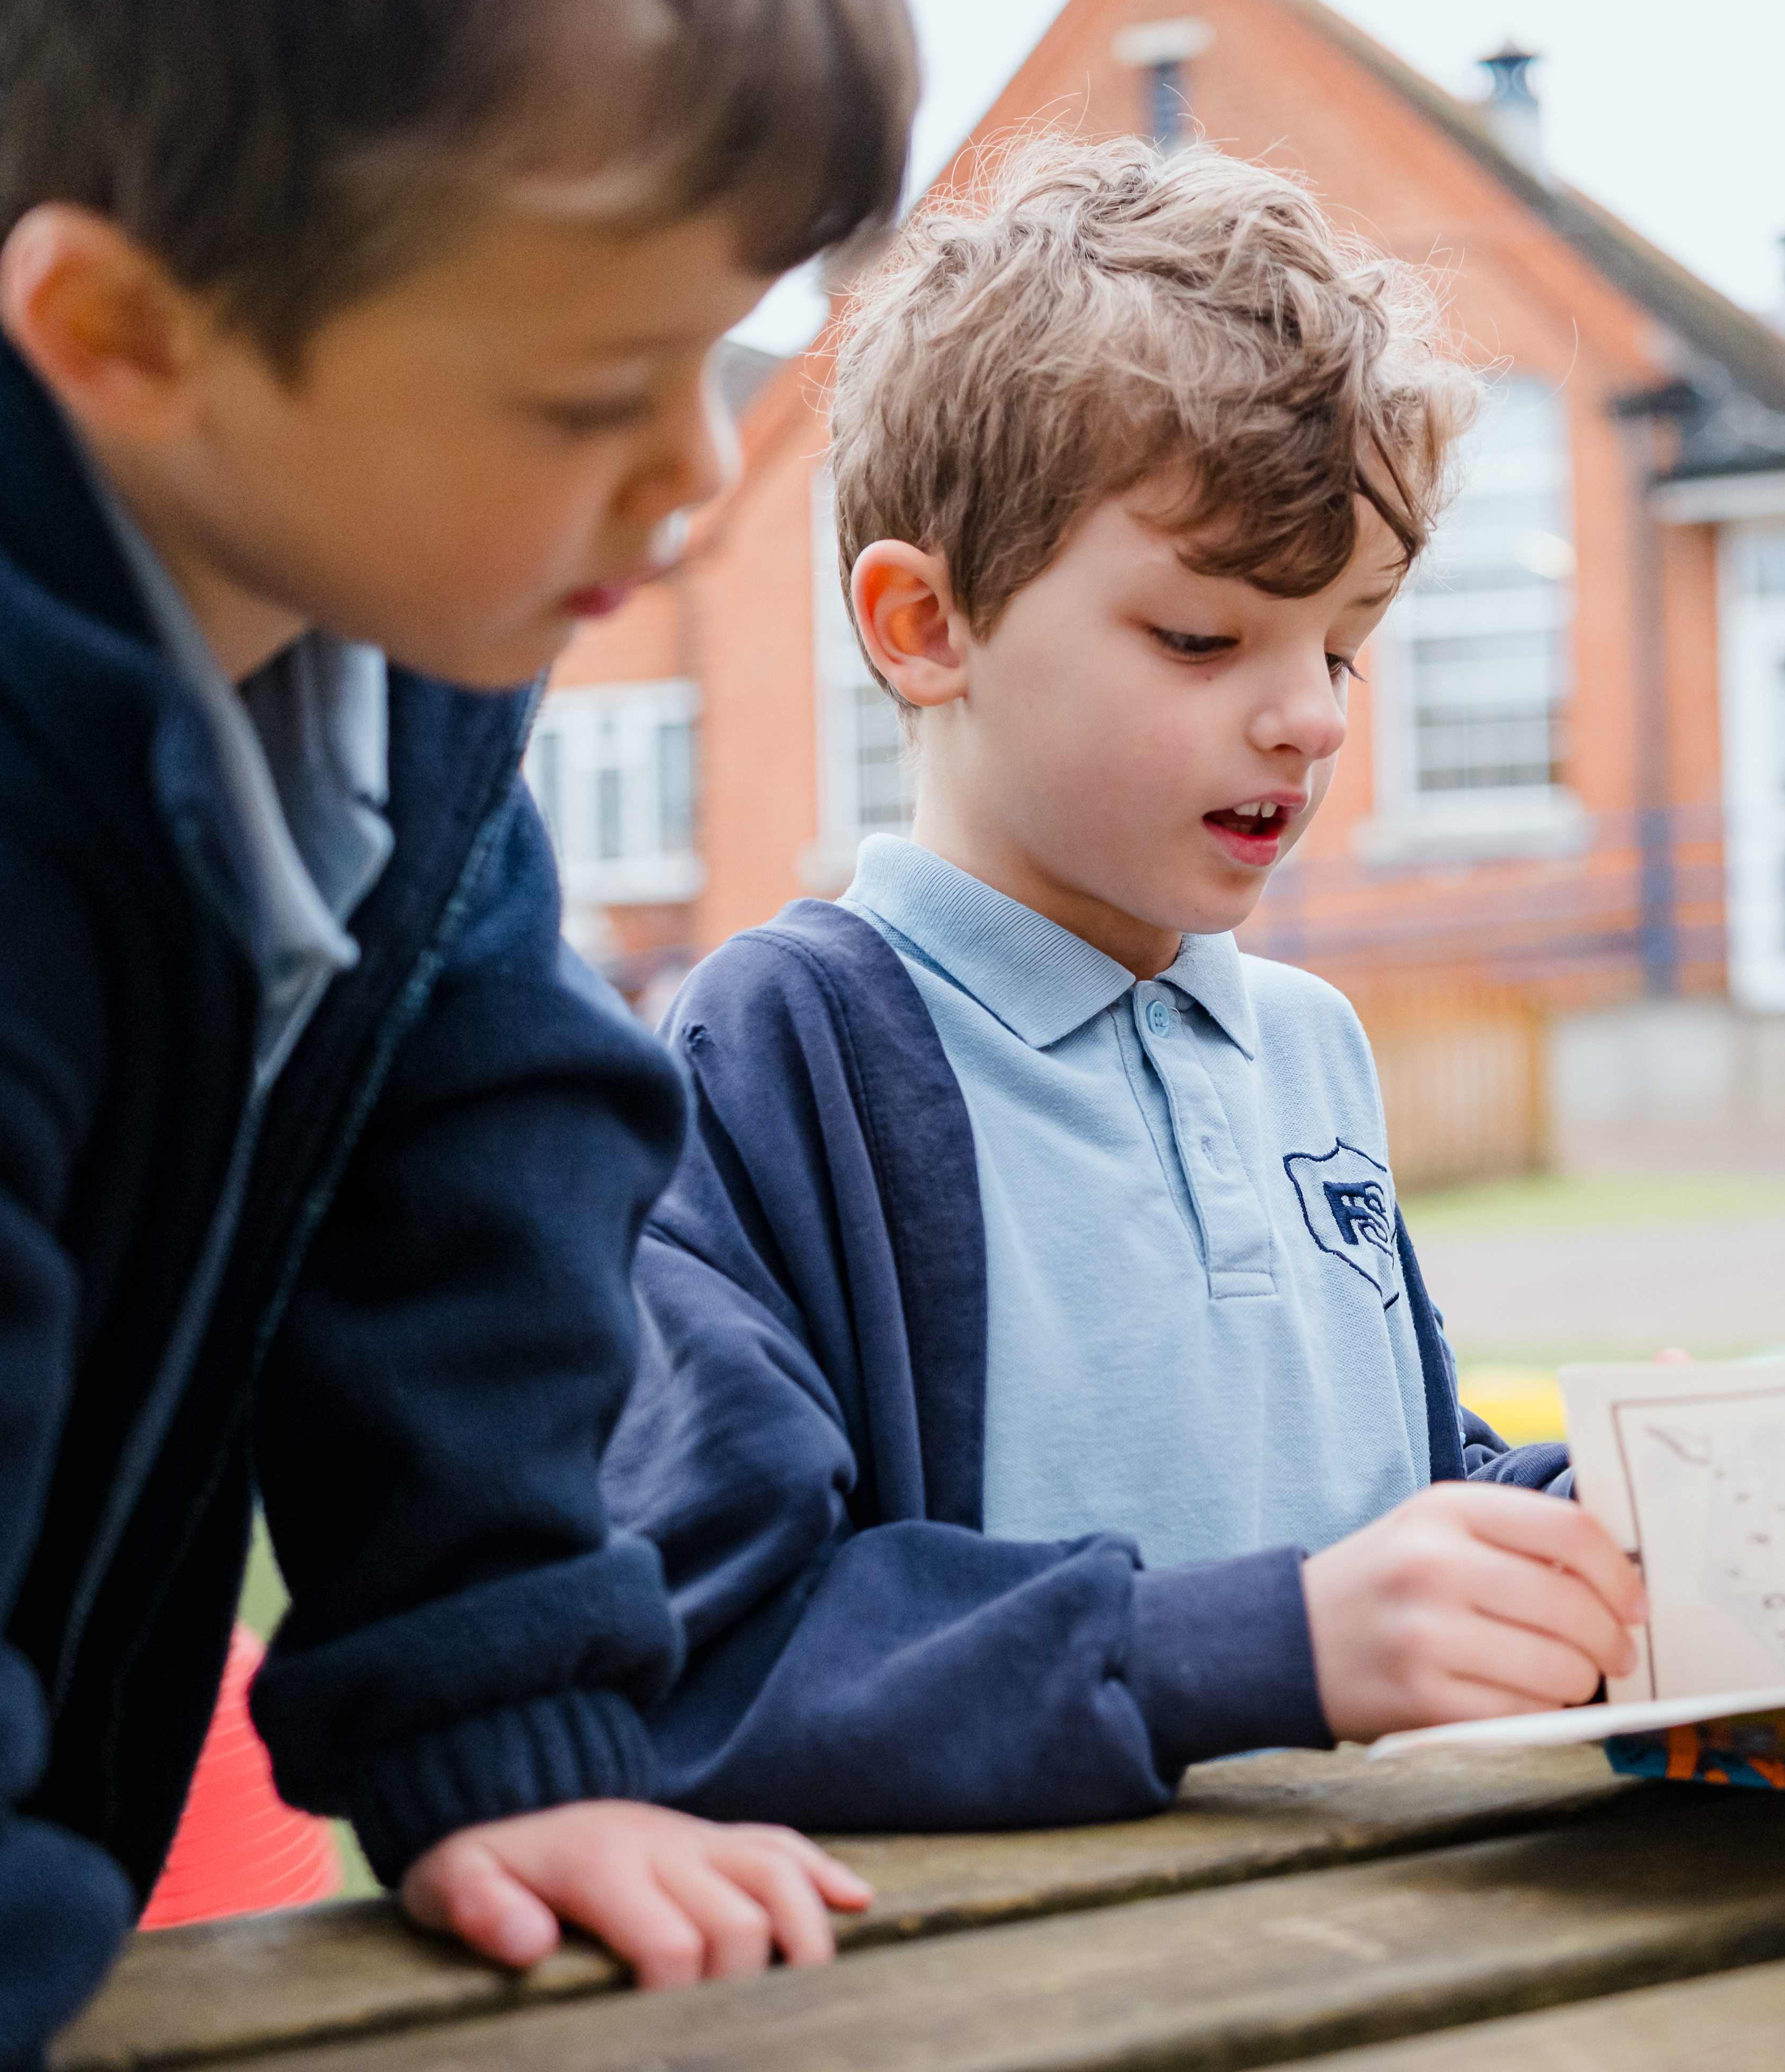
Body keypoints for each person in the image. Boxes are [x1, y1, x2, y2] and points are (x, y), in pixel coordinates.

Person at [0, 0, 919, 2061]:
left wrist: (506, 1707)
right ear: (133, 336)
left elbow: (466, 1145)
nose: (698, 477)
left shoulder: (375, 601)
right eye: (582, 394)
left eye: (719, 344)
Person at [605, 139, 1646, 1829]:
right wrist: (1262, 1649)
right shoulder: (785, 1046)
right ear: (923, 625)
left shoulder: (1306, 1044)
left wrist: (1600, 1519)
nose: (1310, 714)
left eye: (1344, 640)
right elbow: (714, 1657)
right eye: (1203, 637)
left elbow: (1385, 1496)